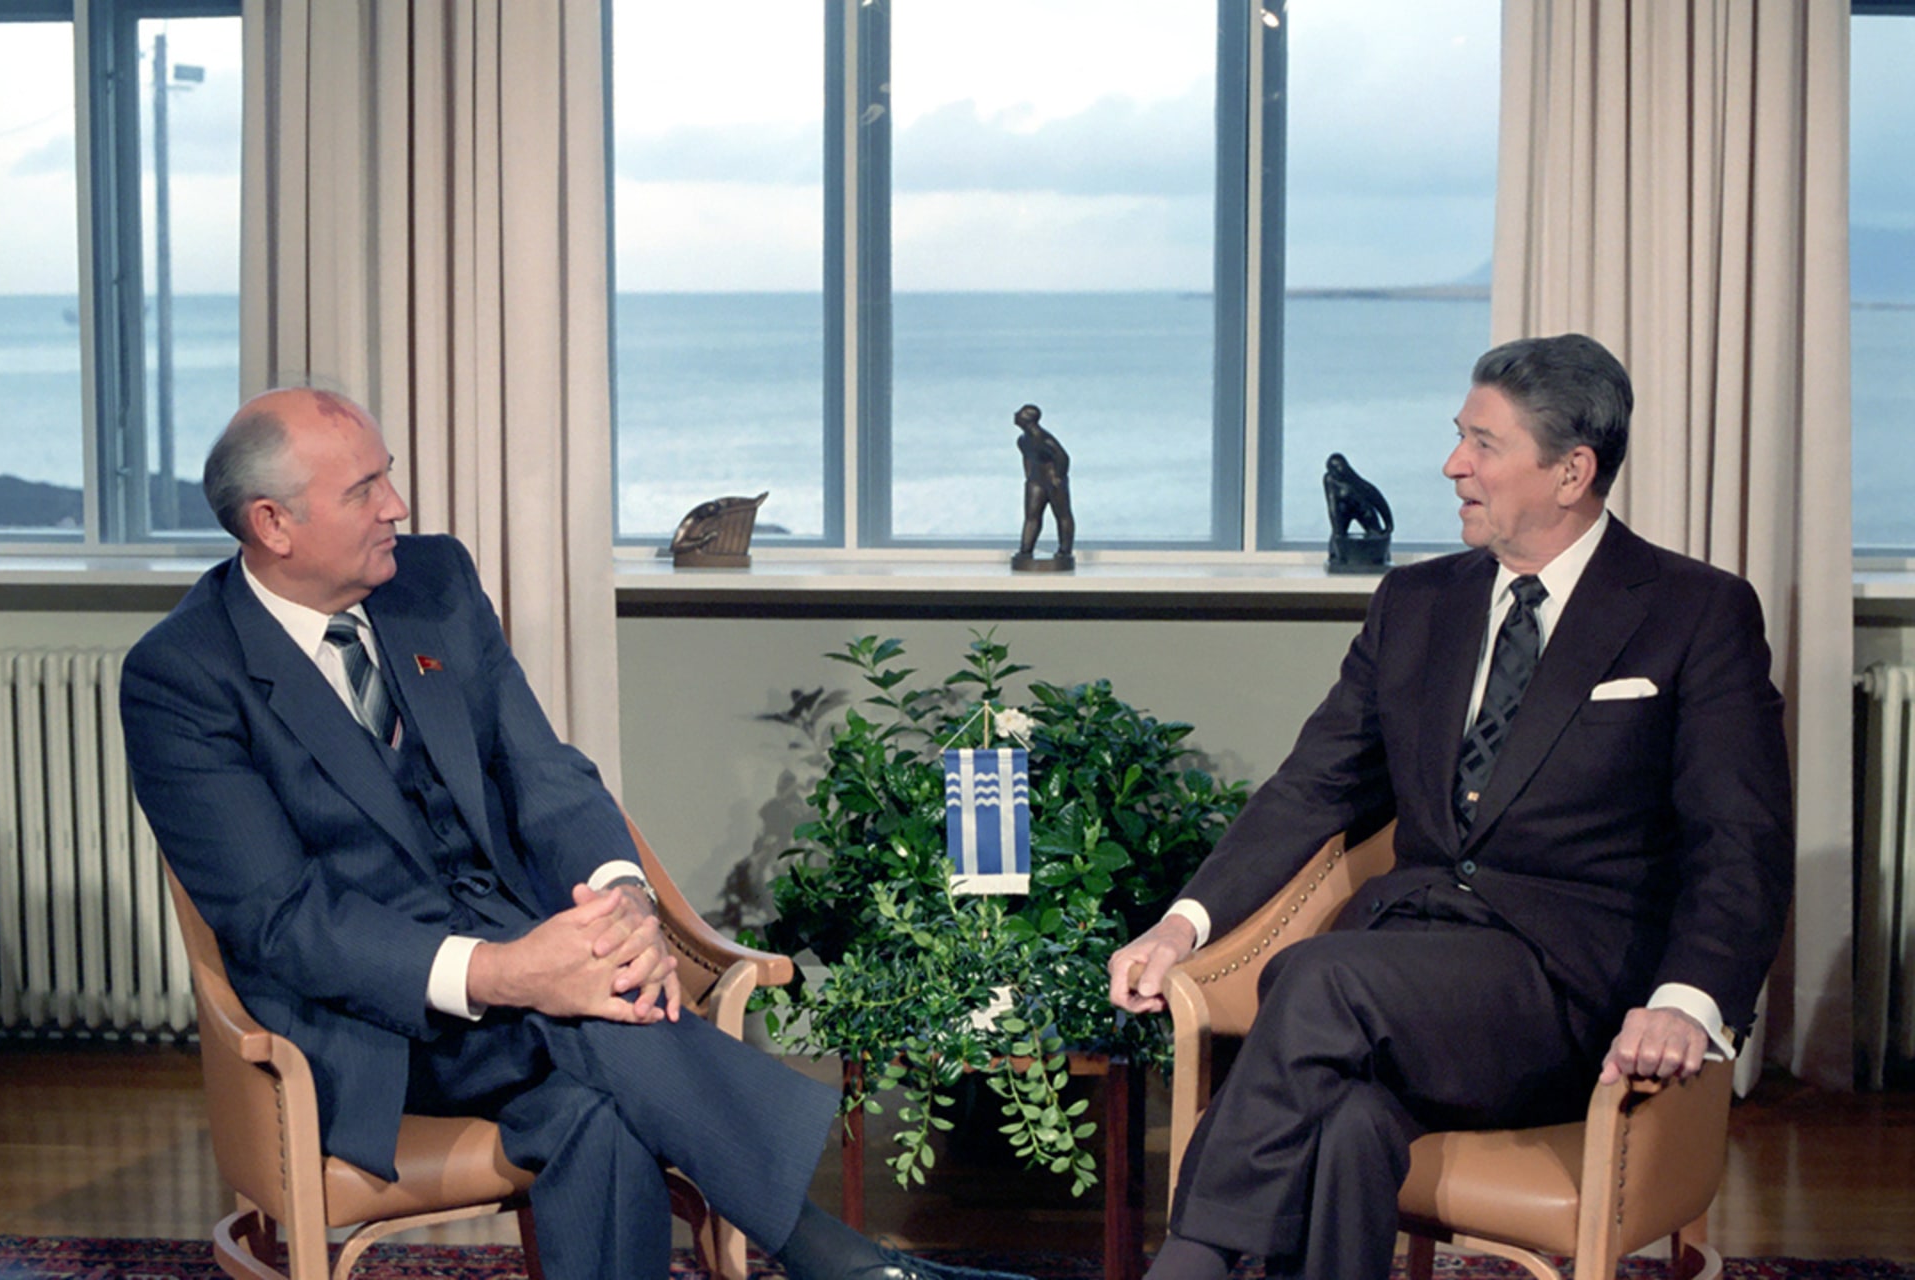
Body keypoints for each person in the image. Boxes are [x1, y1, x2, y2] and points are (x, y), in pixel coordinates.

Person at [121, 387, 1029, 1280]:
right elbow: (285, 922)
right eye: (364, 490)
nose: (396, 506)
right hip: (375, 1027)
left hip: (529, 965)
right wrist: (510, 972)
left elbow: (539, 767)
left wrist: (623, 900)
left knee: (590, 1109)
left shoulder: (430, 582)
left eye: (388, 477)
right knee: (608, 1012)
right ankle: (839, 1259)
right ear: (273, 524)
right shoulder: (182, 677)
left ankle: (844, 1265)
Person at [1108, 334, 1793, 1280]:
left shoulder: (1693, 611)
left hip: (1562, 991)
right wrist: (1184, 925)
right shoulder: (1416, 602)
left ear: (1571, 472)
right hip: (1402, 972)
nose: (1452, 465)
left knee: (1317, 980)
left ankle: (1192, 1261)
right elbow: (1314, 786)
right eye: (1457, 438)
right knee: (1347, 1126)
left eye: (1483, 443)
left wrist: (1687, 1001)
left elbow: (1741, 840)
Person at [1013, 404, 1074, 562]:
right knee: (1031, 517)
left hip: (1053, 482)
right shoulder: (1022, 440)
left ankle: (1065, 551)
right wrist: (1029, 477)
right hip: (1035, 482)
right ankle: (1025, 550)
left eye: (1019, 413)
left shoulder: (1043, 438)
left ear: (1027, 419)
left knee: (1062, 515)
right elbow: (1026, 457)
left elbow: (1063, 457)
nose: (1015, 414)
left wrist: (1058, 476)